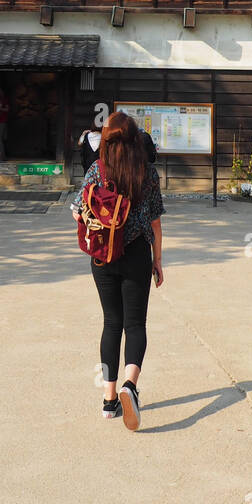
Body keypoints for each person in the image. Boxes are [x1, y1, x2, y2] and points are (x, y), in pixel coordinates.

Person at [73, 111, 164, 431]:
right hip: (137, 253)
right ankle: (130, 385)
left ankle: (109, 399)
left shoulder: (96, 170)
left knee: (111, 323)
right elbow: (155, 221)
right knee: (135, 323)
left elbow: (77, 213)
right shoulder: (148, 173)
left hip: (103, 256)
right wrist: (157, 260)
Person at [78, 122, 157, 173]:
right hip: (143, 169)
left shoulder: (87, 136)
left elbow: (80, 144)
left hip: (90, 163)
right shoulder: (145, 136)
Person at [0, 85, 10, 161]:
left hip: (2, 121)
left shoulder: (5, 99)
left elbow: (7, 109)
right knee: (0, 138)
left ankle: (1, 155)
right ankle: (2, 155)